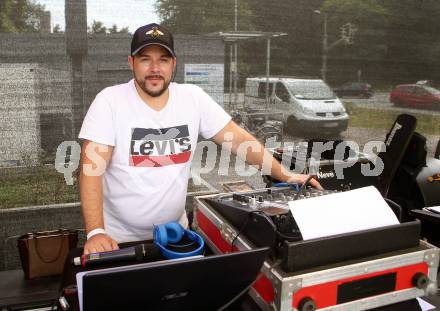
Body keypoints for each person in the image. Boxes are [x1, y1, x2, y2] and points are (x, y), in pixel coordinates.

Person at [79, 23, 322, 255]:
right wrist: (96, 232)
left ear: (173, 63)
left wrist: (286, 175)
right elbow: (92, 170)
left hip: (177, 235)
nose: (155, 68)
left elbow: (239, 141)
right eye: (145, 59)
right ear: (131, 62)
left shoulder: (192, 98)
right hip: (120, 241)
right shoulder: (109, 101)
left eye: (163, 60)